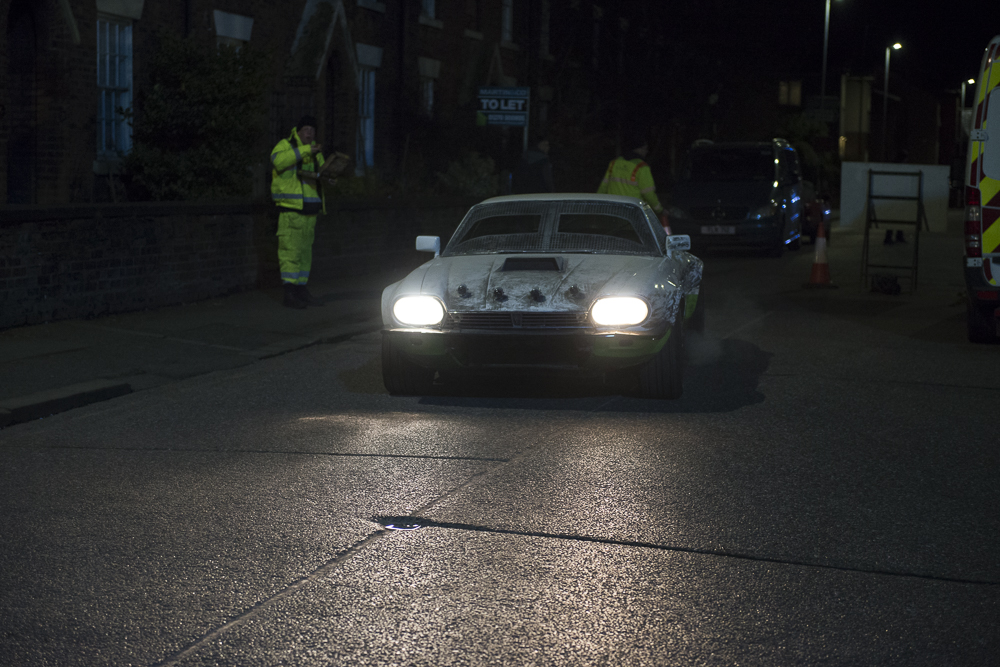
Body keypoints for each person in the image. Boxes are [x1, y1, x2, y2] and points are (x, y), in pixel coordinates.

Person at [271, 115, 327, 309]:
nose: (310, 133)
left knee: (304, 254)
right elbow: (278, 161)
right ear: (298, 131)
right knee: (290, 253)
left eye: (312, 130)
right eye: (306, 130)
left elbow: (321, 173)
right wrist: (305, 150)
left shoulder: (315, 152)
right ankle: (289, 293)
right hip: (291, 210)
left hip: (309, 211)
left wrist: (329, 177)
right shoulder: (285, 145)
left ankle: (301, 289)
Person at [597, 127, 670, 232]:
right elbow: (649, 195)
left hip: (613, 213)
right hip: (633, 215)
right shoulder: (642, 167)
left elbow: (603, 187)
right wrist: (660, 210)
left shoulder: (614, 163)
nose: (646, 150)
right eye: (645, 148)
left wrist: (597, 205)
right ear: (639, 148)